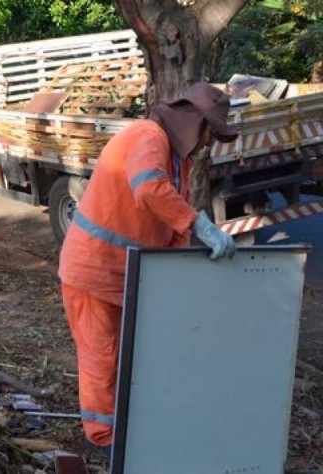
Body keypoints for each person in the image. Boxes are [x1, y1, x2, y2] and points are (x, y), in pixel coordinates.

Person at [57, 82, 239, 457]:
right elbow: (150, 190)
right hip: (94, 272)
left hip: (127, 275)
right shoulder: (147, 136)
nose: (209, 144)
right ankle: (105, 443)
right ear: (195, 123)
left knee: (130, 358)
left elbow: (170, 226)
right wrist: (201, 225)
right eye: (210, 134)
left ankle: (127, 432)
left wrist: (177, 276)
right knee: (102, 360)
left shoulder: (178, 161)